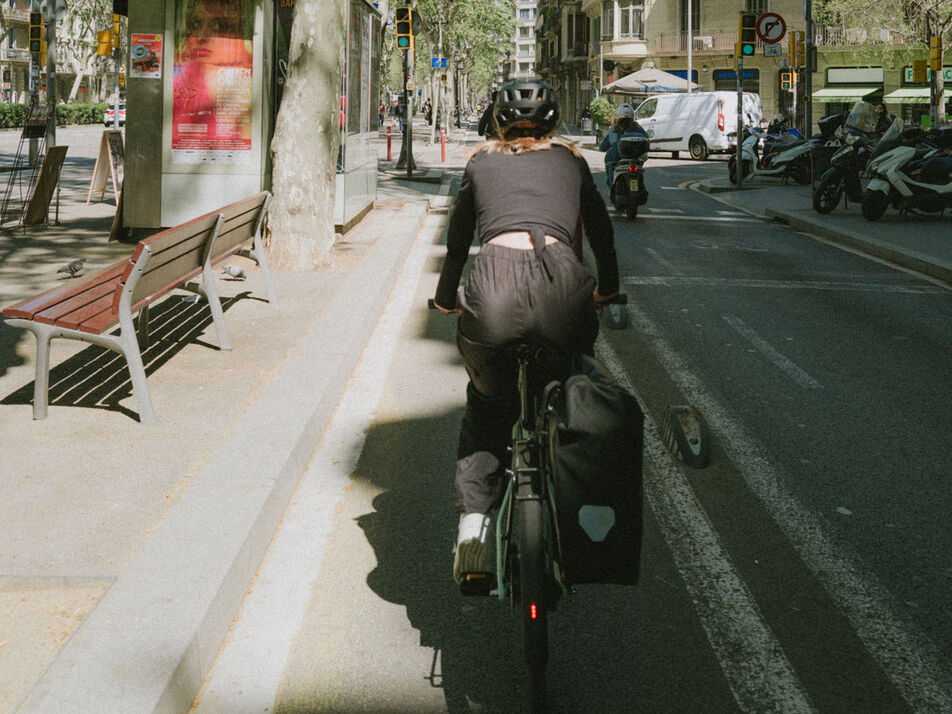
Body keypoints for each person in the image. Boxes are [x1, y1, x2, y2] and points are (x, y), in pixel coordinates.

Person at [431, 79, 620, 584]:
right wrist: (608, 291)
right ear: (555, 121)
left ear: (496, 121)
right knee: (568, 390)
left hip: (492, 292)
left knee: (488, 406)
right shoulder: (572, 161)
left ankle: (473, 529)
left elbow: (456, 244)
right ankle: (576, 507)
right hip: (562, 288)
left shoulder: (479, 162)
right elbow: (600, 232)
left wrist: (446, 298)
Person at [598, 103, 648, 189]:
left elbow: (602, 147)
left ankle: (611, 185)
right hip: (636, 159)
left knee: (609, 161)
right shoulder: (639, 129)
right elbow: (647, 145)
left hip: (616, 159)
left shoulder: (613, 130)